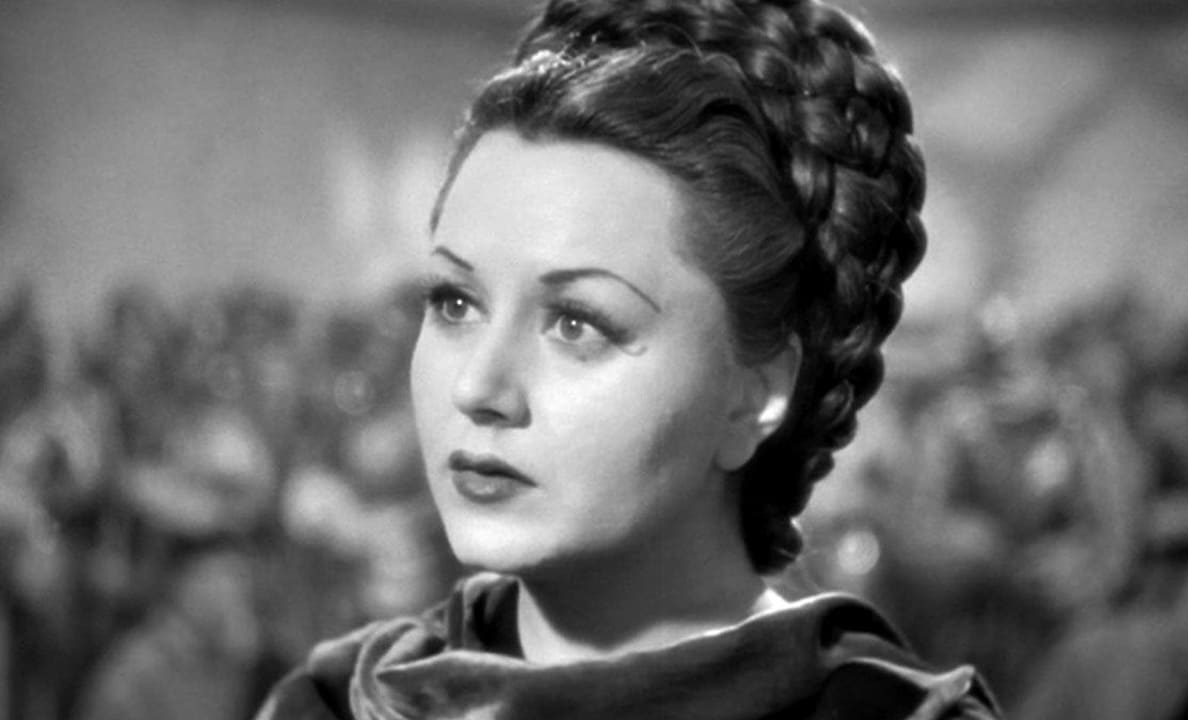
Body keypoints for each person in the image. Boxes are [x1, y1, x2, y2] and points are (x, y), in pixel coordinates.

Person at [255, 0, 1000, 717]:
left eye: (577, 323)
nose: (479, 387)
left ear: (757, 393)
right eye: (455, 302)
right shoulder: (338, 706)